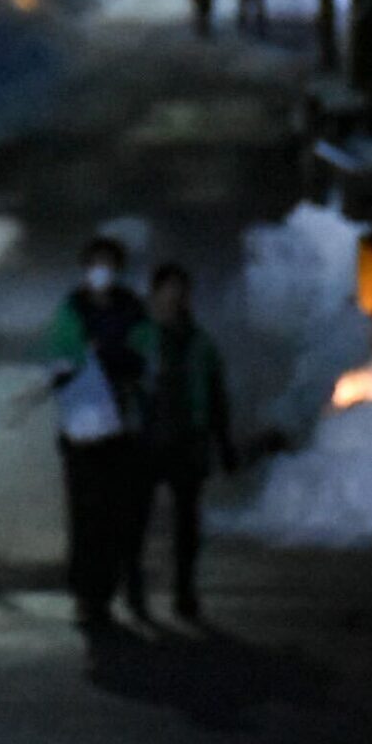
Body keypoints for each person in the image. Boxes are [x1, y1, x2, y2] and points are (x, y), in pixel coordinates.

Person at [44, 234, 149, 630]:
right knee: (86, 511)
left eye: (108, 263)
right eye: (95, 263)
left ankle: (107, 586)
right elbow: (58, 359)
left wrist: (114, 357)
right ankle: (88, 593)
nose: (101, 271)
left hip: (123, 426)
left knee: (115, 511)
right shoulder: (70, 311)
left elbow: (144, 353)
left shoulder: (133, 310)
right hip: (81, 429)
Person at [126, 263, 241, 620]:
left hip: (188, 441)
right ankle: (134, 589)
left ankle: (184, 591)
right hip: (144, 440)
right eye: (168, 289)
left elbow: (216, 394)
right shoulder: (139, 337)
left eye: (181, 289)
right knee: (137, 521)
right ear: (155, 293)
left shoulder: (201, 342)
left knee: (187, 523)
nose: (175, 296)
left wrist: (222, 442)